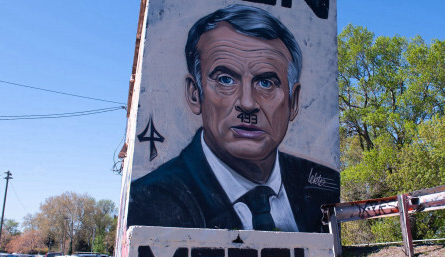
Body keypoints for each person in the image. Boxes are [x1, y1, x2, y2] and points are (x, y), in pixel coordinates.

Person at [127, 4, 339, 232]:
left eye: (266, 83)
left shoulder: (325, 186)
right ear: (195, 93)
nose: (247, 103)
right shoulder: (149, 202)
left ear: (293, 102)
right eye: (226, 80)